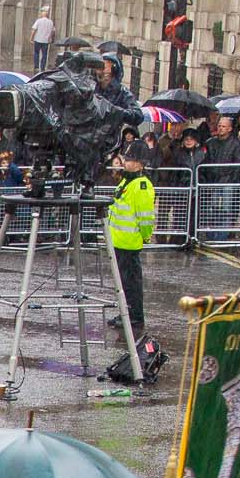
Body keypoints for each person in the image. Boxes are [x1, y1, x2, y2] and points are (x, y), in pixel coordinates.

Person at [107, 146, 155, 344]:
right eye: (126, 158)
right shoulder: (127, 181)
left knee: (131, 284)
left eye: (131, 159)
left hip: (129, 242)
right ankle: (125, 314)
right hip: (118, 241)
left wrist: (146, 237)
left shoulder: (142, 185)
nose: (126, 162)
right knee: (123, 284)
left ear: (140, 163)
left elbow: (145, 217)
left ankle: (135, 316)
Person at [32, 7, 55, 72]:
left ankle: (36, 66)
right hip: (46, 41)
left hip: (38, 39)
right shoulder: (50, 22)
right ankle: (42, 67)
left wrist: (31, 38)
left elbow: (34, 30)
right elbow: (52, 31)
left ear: (42, 13)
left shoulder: (38, 21)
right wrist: (50, 38)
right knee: (44, 54)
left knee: (36, 53)